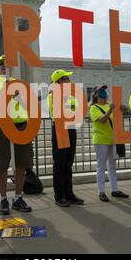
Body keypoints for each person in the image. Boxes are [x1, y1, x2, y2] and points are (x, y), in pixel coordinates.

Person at [0, 55, 33, 215]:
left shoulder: (18, 84)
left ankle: (18, 197)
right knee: (1, 164)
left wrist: (19, 95)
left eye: (7, 64)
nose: (4, 66)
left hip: (20, 124)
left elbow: (27, 105)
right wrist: (5, 91)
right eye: (1, 64)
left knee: (21, 164)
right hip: (2, 125)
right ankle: (3, 198)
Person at [47, 69, 84, 207]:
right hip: (59, 129)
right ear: (58, 82)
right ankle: (59, 196)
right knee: (60, 164)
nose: (69, 81)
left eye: (68, 79)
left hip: (71, 128)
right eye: (66, 79)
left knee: (68, 164)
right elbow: (59, 111)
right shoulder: (53, 95)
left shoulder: (71, 96)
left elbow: (76, 111)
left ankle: (69, 193)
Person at [89, 85, 129, 202]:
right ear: (95, 94)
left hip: (112, 139)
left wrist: (122, 109)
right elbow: (101, 120)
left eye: (104, 91)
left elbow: (118, 117)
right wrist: (110, 110)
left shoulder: (109, 104)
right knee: (101, 166)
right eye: (101, 91)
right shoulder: (93, 108)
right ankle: (101, 192)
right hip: (100, 140)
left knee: (112, 166)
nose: (104, 93)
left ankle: (114, 189)